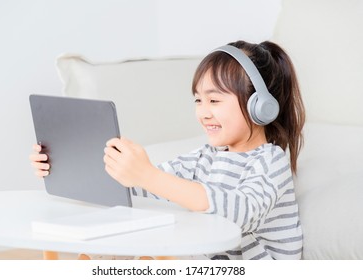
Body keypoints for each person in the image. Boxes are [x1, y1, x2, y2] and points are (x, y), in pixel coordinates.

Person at [30, 40, 305, 260]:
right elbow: (137, 187)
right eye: (198, 100)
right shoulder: (205, 158)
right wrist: (64, 163)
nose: (203, 112)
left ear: (260, 105)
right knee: (117, 249)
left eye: (214, 100)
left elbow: (239, 214)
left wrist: (149, 176)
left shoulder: (271, 161)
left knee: (163, 252)